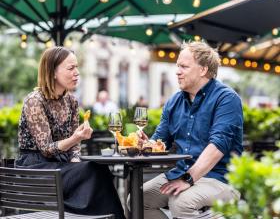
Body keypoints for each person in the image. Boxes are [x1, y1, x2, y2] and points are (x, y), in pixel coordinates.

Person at [15, 47, 125, 219]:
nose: (77, 73)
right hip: (36, 166)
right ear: (52, 72)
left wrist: (75, 159)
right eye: (71, 68)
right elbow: (46, 149)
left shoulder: (71, 101)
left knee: (97, 169)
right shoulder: (34, 101)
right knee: (94, 171)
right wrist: (76, 137)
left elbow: (74, 147)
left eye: (77, 67)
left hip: (61, 165)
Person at [137, 41, 243, 218]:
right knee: (138, 199)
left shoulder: (227, 99)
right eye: (177, 66)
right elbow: (159, 142)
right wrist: (146, 144)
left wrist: (188, 178)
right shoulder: (174, 102)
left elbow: (217, 146)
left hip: (220, 178)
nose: (177, 71)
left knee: (181, 202)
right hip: (180, 173)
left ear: (203, 70)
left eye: (184, 67)